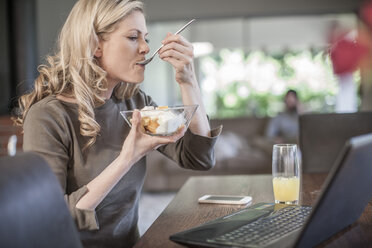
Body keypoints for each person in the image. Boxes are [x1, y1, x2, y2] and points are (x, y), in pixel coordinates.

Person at [14, 0, 221, 247]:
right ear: (95, 45)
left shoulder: (135, 102)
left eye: (145, 38)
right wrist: (128, 157)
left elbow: (199, 158)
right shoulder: (48, 116)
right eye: (133, 37)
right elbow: (49, 218)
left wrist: (188, 81)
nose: (145, 47)